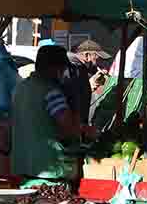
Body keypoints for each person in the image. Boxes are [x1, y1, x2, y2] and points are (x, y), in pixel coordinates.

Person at [11, 44, 90, 181]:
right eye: (62, 68)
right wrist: (84, 129)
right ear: (54, 68)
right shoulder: (51, 92)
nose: (63, 72)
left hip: (21, 167)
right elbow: (68, 127)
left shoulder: (20, 89)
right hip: (50, 170)